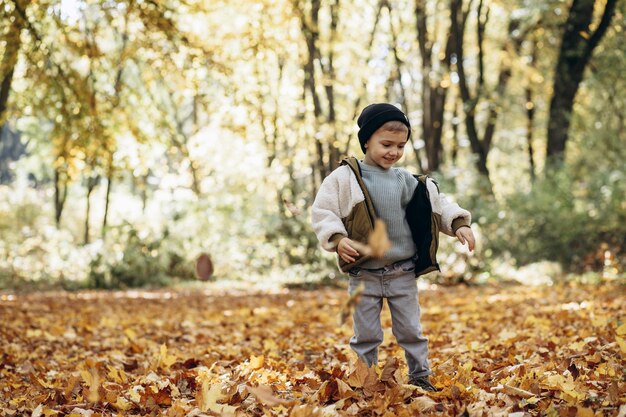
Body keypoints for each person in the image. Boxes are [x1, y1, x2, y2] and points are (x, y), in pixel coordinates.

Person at [310, 103, 476, 391]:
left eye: (400, 146)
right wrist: (337, 239)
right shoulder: (345, 178)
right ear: (366, 141)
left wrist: (459, 223)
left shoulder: (405, 180)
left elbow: (437, 203)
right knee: (366, 333)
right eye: (386, 144)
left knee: (411, 329)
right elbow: (323, 211)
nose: (394, 152)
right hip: (364, 274)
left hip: (402, 271)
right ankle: (365, 379)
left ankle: (420, 375)